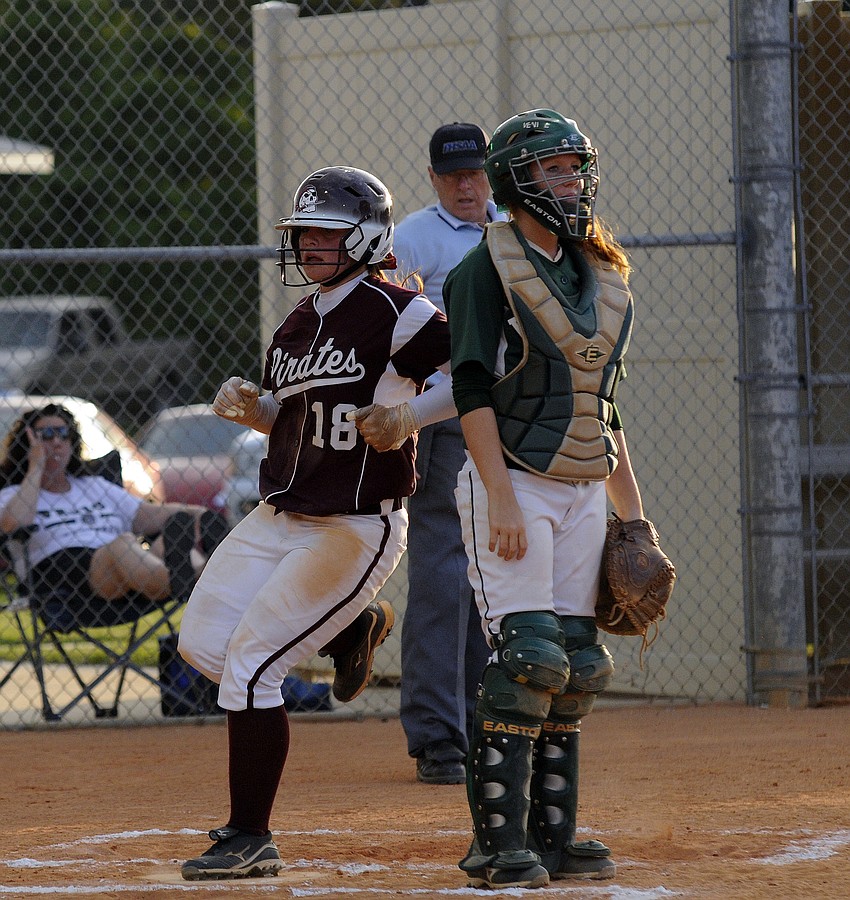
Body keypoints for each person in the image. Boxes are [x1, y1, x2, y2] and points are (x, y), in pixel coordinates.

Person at [176, 165, 456, 881]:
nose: (310, 246)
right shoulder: (299, 321)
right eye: (304, 234)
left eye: (327, 233)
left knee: (251, 666)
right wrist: (256, 410)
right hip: (281, 514)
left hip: (353, 526)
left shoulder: (399, 310)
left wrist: (410, 415)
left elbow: (486, 370)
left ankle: (250, 835)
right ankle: (347, 628)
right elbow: (297, 420)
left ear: (367, 237)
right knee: (204, 645)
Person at [443, 109, 645, 889]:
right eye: (553, 170)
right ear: (515, 181)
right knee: (527, 659)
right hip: (514, 482)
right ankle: (497, 843)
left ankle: (554, 837)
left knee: (580, 664)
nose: (571, 183)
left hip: (584, 489)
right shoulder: (484, 267)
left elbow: (606, 409)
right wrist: (498, 497)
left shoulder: (601, 273)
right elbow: (469, 389)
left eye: (575, 168)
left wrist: (637, 518)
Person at [391, 122, 502, 785]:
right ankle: (438, 737)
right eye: (452, 174)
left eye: (476, 172)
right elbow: (398, 340)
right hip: (442, 422)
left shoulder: (512, 230)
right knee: (441, 575)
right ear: (433, 178)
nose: (466, 184)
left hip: (508, 419)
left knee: (493, 576)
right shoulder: (413, 238)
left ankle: (484, 720)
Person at [0, 403, 222, 616]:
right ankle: (204, 577)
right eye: (46, 434)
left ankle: (186, 576)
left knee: (170, 536)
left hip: (128, 570)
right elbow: (12, 525)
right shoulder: (14, 494)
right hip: (63, 576)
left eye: (63, 433)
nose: (57, 441)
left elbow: (148, 514)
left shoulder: (94, 485)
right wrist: (36, 466)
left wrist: (199, 515)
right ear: (28, 442)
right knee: (122, 544)